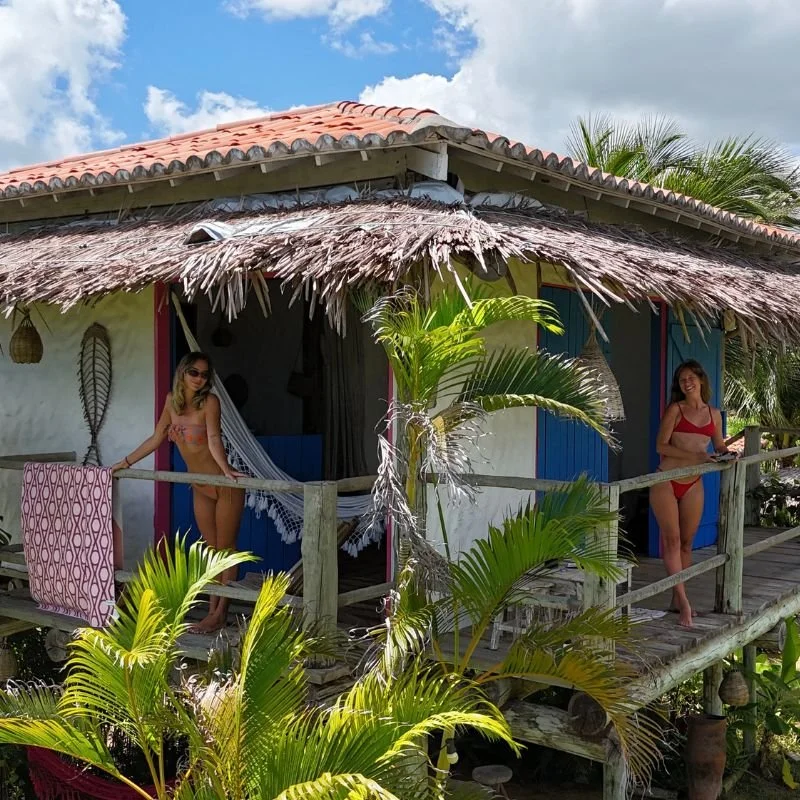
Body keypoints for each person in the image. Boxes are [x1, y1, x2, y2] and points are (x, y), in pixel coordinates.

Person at [112, 352, 245, 633]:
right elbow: (156, 438)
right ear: (182, 372)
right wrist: (124, 463)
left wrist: (226, 471)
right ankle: (212, 611)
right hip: (199, 485)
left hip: (224, 485)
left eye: (205, 375)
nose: (199, 379)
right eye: (194, 372)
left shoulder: (210, 402)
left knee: (226, 551)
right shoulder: (171, 402)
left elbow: (213, 439)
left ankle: (219, 612)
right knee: (211, 552)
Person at [650, 359, 735, 629]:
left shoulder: (714, 414)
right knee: (672, 541)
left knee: (687, 543)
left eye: (690, 378)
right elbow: (660, 446)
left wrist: (727, 455)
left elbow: (719, 444)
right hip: (666, 479)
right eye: (681, 379)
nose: (686, 383)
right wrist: (698, 455)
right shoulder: (676, 409)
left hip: (693, 482)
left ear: (701, 380)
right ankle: (685, 603)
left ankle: (677, 596)